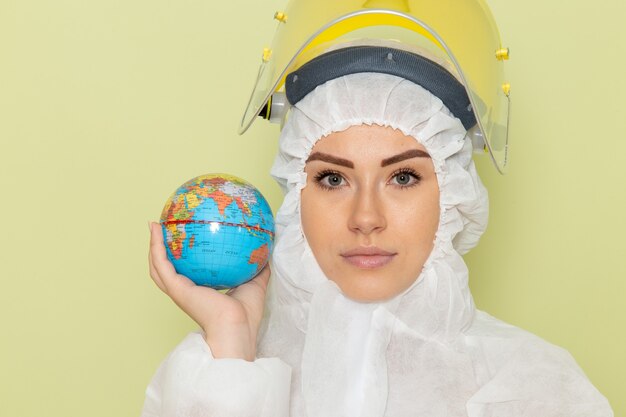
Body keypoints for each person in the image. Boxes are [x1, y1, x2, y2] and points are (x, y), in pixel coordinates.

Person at [142, 1, 614, 416]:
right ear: (295, 194)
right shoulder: (216, 375)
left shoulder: (538, 390)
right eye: (333, 178)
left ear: (452, 192)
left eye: (403, 177)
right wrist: (231, 351)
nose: (365, 218)